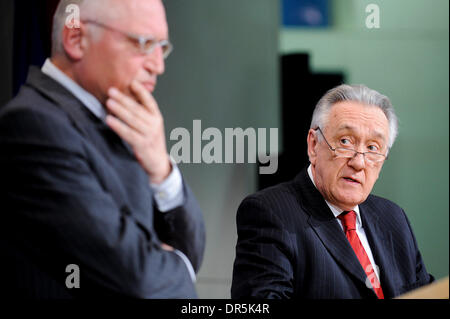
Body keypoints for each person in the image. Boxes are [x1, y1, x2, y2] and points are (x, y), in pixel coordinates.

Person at [0, 0, 205, 298]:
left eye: (162, 47)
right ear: (76, 39)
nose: (158, 65)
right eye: (144, 44)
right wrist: (174, 265)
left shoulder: (121, 117)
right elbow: (140, 281)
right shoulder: (33, 127)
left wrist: (161, 168)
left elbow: (191, 251)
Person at [231, 84, 434, 299]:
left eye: (373, 148)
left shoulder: (393, 219)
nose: (359, 162)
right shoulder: (270, 213)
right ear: (313, 145)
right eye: (345, 142)